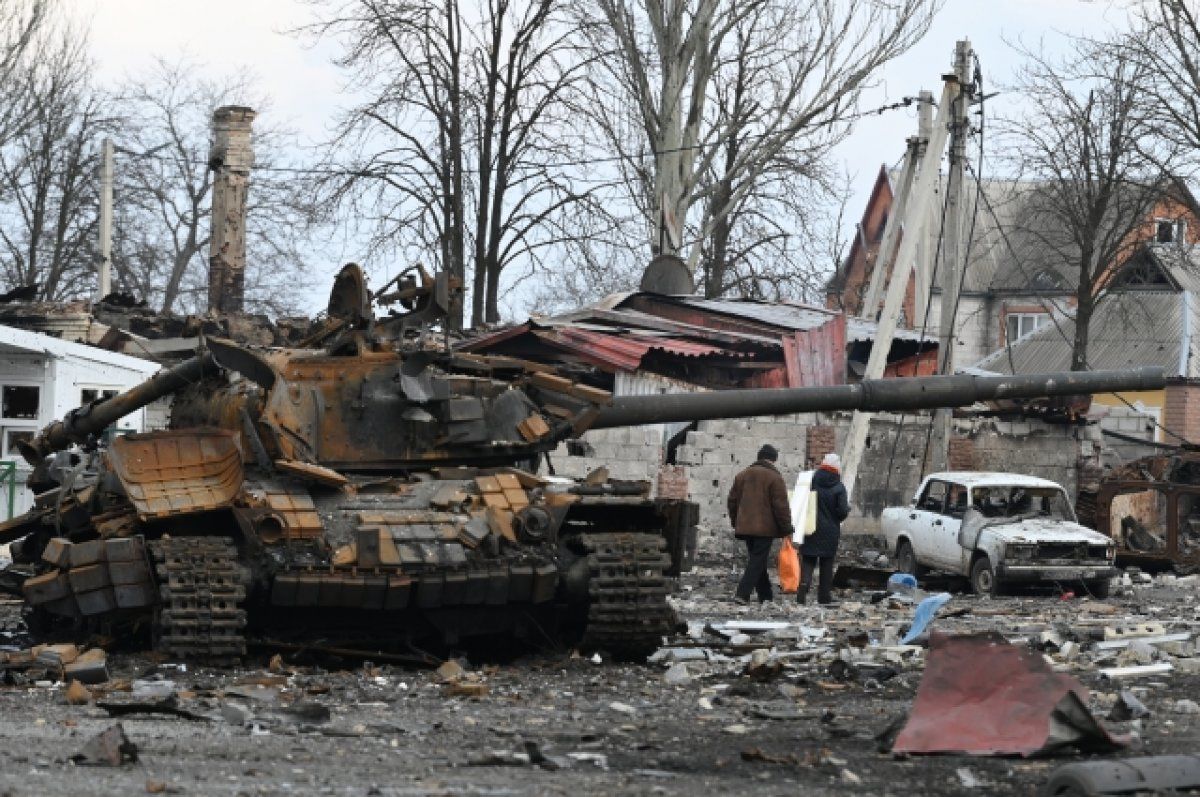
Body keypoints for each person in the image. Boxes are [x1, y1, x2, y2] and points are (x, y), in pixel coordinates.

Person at [727, 444, 794, 604]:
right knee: (757, 561)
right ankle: (742, 594)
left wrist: (736, 521)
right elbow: (781, 506)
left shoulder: (741, 475)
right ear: (773, 460)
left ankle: (766, 596)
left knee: (758, 560)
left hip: (745, 526)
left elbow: (732, 502)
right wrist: (787, 528)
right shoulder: (775, 478)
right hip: (765, 528)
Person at [799, 452, 849, 605]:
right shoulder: (839, 487)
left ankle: (803, 587)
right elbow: (841, 512)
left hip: (810, 527)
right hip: (830, 531)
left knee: (808, 559)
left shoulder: (811, 481)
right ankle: (824, 597)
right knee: (826, 564)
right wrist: (846, 510)